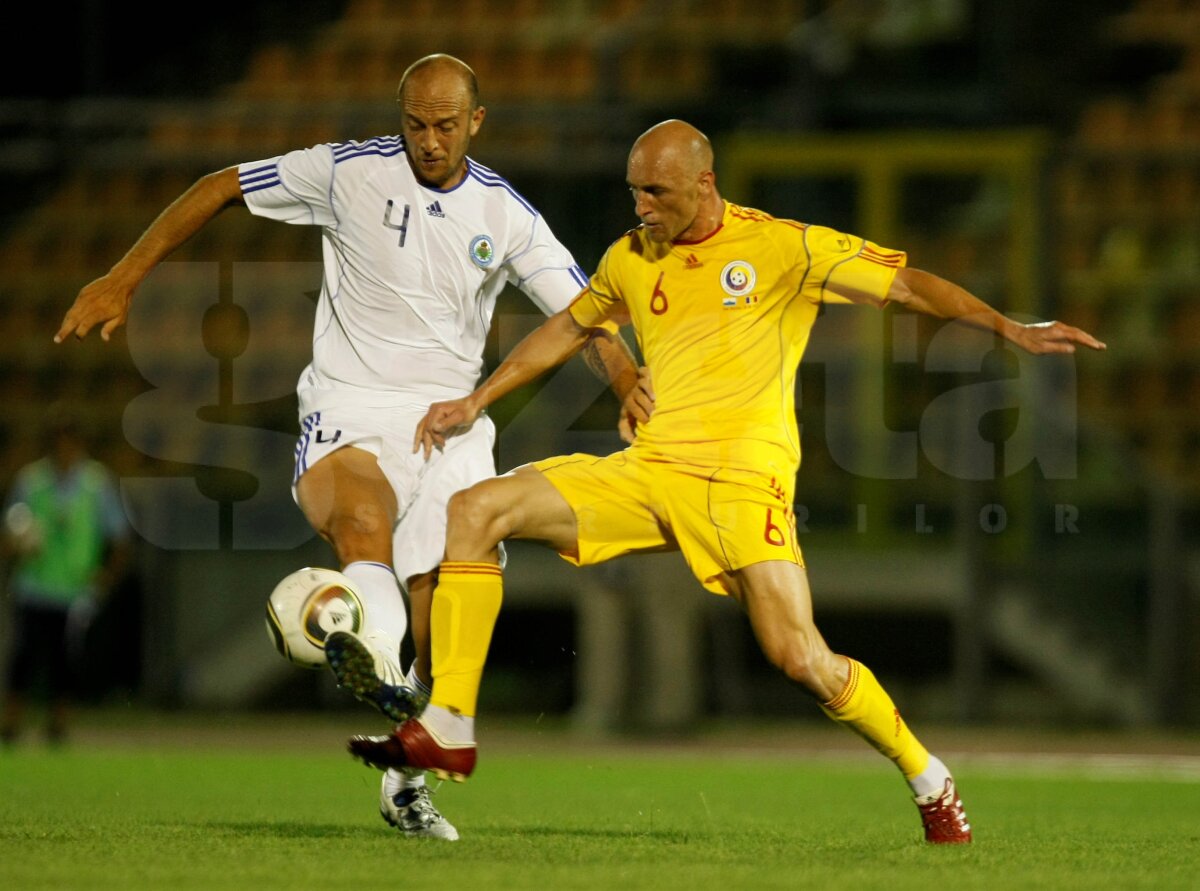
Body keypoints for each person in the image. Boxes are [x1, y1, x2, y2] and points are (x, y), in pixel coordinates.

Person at [346, 119, 1108, 844]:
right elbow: (571, 326)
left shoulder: (783, 248)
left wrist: (1009, 327)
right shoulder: (631, 256)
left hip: (744, 484)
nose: (642, 208)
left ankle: (928, 774)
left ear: (704, 184)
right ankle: (451, 721)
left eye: (657, 194)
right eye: (634, 191)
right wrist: (479, 398)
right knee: (476, 507)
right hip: (650, 471)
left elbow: (909, 287)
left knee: (800, 656)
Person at [55, 54, 644, 840]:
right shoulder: (345, 172)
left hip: (452, 427)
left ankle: (405, 768)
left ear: (476, 122)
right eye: (414, 124)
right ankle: (392, 684)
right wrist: (125, 275)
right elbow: (222, 183)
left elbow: (583, 314)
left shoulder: (506, 214)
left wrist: (630, 382)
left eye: (444, 125)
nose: (428, 141)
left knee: (442, 633)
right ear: (398, 117)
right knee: (362, 525)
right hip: (349, 408)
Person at [2, 411, 131, 746]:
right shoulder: (31, 482)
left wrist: (104, 578)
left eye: (69, 442)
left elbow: (117, 535)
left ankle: (58, 724)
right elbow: (10, 531)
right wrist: (18, 544)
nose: (64, 449)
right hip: (33, 585)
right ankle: (11, 721)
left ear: (78, 444)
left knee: (65, 660)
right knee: (24, 657)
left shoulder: (95, 483)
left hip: (74, 590)